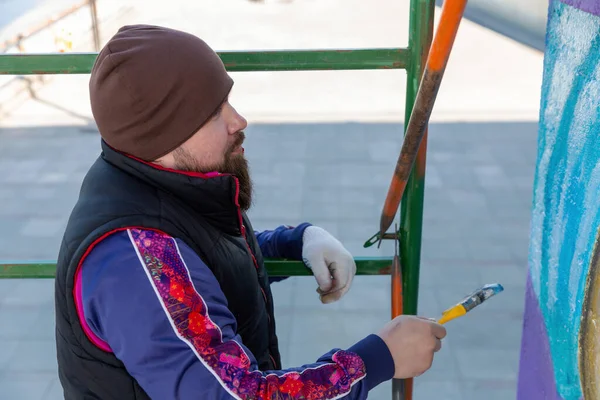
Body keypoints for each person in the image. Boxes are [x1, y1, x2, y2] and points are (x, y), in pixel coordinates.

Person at [54, 24, 447, 399]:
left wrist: (291, 242)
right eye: (213, 112)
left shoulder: (149, 183)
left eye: (227, 100)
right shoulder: (132, 261)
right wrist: (377, 359)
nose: (238, 120)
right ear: (164, 135)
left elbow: (198, 268)